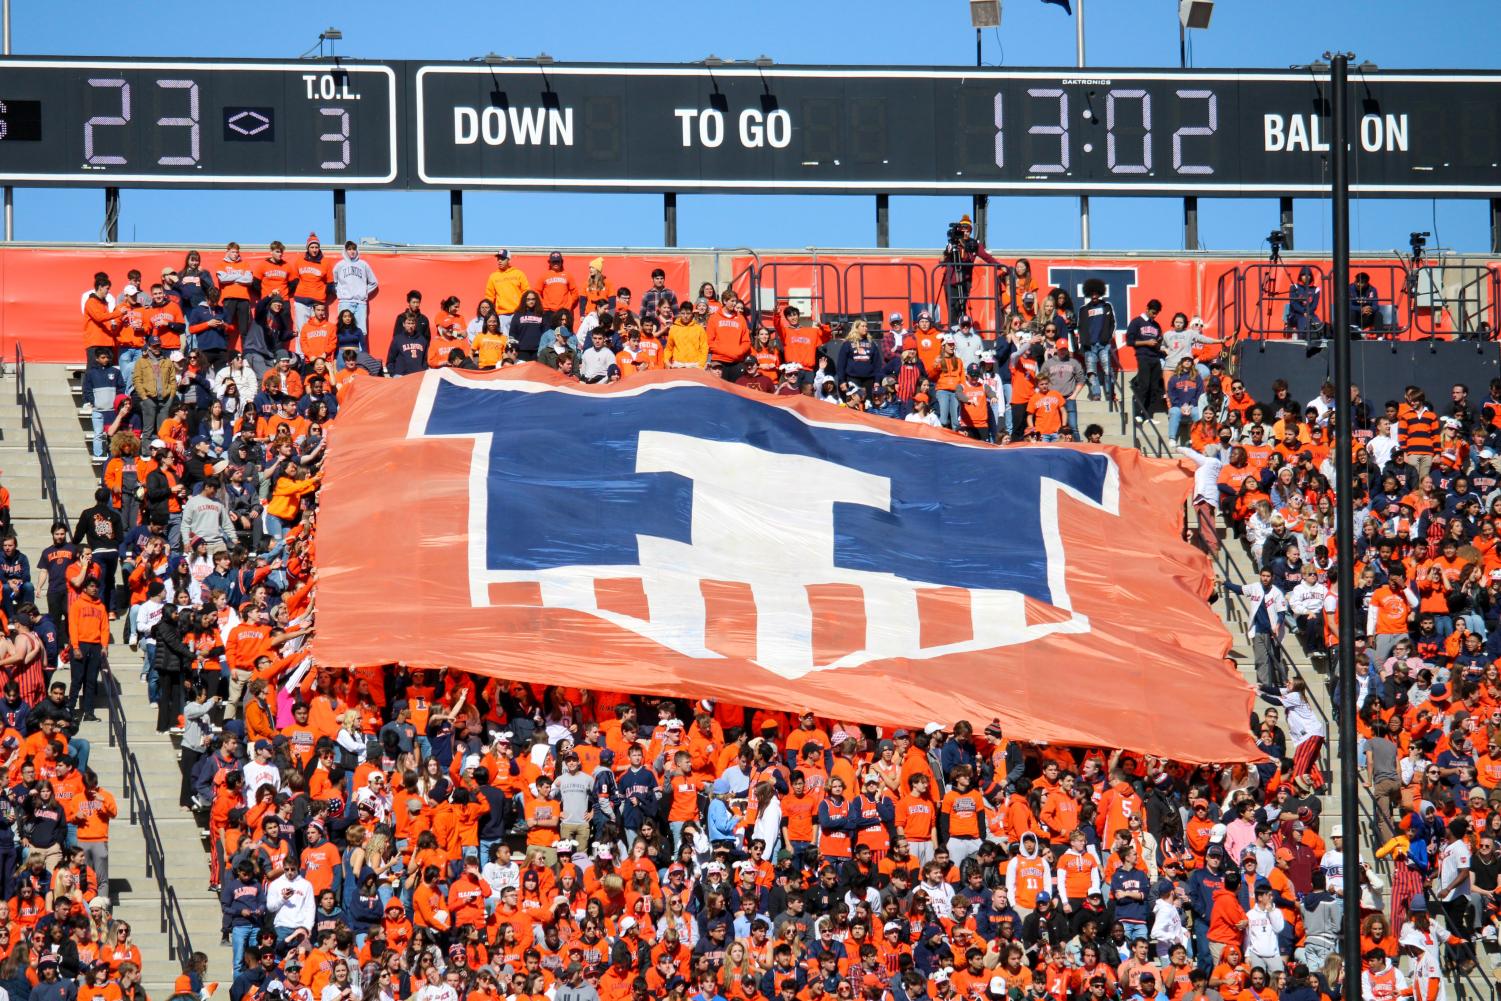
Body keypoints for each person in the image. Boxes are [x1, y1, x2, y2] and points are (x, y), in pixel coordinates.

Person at [1126, 299, 1166, 422]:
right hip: (1143, 356)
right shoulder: (1136, 322)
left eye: (1156, 313)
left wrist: (1160, 346)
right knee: (1144, 385)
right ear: (1147, 309)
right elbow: (1130, 341)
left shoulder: (1156, 325)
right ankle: (1138, 413)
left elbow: (1159, 342)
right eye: (1153, 312)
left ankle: (1149, 415)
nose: (1154, 315)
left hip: (1156, 358)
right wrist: (1146, 342)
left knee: (1155, 388)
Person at [332, 241, 379, 332]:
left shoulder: (363, 264)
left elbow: (374, 282)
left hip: (360, 303)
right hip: (345, 302)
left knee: (361, 331)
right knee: (343, 330)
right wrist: (341, 293)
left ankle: (360, 343)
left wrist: (364, 292)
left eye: (354, 249)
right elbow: (334, 282)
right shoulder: (339, 265)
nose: (352, 251)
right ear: (345, 251)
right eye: (349, 249)